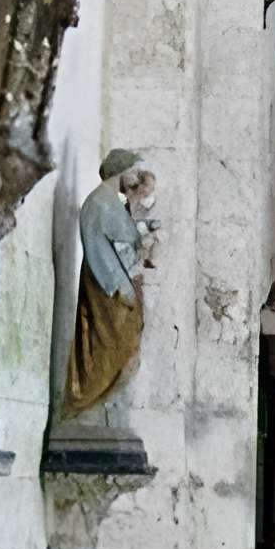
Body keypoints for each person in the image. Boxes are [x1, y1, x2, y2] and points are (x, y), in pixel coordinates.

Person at [64, 150, 159, 420]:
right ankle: (87, 407)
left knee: (122, 348)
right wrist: (142, 215)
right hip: (110, 288)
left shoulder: (108, 202)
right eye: (134, 170)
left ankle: (97, 408)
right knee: (114, 347)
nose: (136, 177)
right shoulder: (102, 202)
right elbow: (132, 242)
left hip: (113, 285)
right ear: (122, 170)